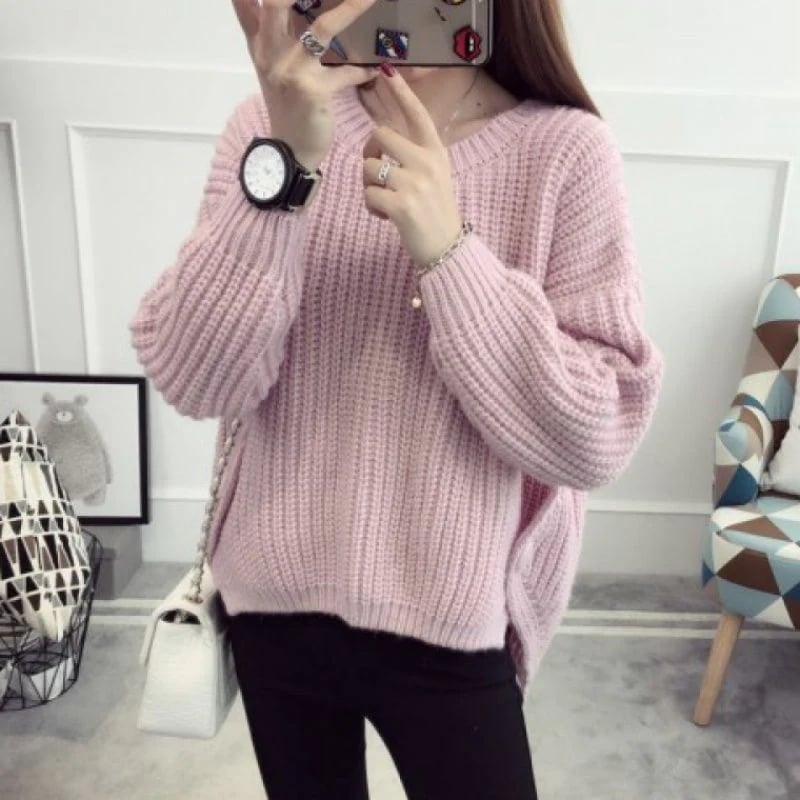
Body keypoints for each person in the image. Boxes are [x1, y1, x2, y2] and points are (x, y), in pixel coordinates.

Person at [128, 0, 665, 797]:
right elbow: (196, 378)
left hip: (453, 619)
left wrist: (449, 248)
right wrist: (287, 164)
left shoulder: (564, 151)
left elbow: (596, 434)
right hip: (272, 604)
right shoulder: (267, 124)